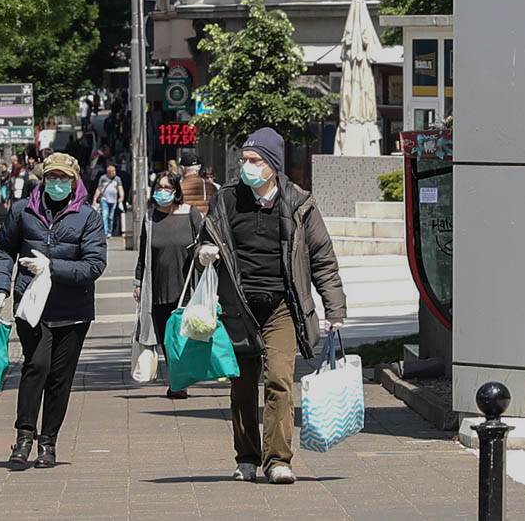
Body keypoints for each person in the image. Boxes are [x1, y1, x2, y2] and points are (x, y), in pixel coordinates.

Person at [196, 127, 346, 485]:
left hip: (282, 305)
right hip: (239, 307)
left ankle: (278, 460)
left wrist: (335, 309)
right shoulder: (227, 199)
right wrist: (204, 253)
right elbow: (205, 239)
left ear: (273, 165)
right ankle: (246, 458)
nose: (246, 167)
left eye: (254, 160)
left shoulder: (299, 203)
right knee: (242, 386)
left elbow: (322, 259)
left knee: (279, 379)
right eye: (244, 160)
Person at [0, 152, 107, 470]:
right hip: (32, 305)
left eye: (63, 178)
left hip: (73, 308)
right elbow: (4, 249)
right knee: (36, 366)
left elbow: (94, 264)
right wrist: (0, 286)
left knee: (60, 377)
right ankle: (24, 436)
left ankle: (48, 442)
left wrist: (51, 266)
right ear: (43, 179)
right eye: (52, 177)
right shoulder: (23, 210)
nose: (57, 183)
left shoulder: (87, 216)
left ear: (74, 180)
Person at [133, 171, 203, 398]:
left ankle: (179, 381)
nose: (162, 192)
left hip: (187, 289)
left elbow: (204, 243)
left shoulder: (190, 214)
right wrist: (138, 283)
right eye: (159, 188)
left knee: (183, 337)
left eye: (167, 188)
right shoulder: (150, 218)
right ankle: (177, 381)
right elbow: (143, 255)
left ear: (176, 191)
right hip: (158, 289)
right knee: (167, 339)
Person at [92, 164, 124, 237]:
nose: (114, 172)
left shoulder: (117, 179)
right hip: (104, 199)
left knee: (111, 217)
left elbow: (120, 188)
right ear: (108, 172)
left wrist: (121, 197)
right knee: (104, 215)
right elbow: (99, 188)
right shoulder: (103, 178)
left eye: (114, 171)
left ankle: (109, 231)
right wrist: (95, 199)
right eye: (112, 171)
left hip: (113, 200)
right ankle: (105, 232)